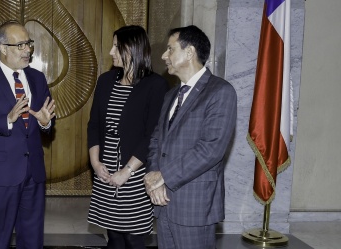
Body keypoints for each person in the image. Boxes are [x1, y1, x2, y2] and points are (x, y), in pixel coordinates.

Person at [0, 21, 56, 249]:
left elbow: (46, 120)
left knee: (33, 241)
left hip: (33, 174)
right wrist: (6, 120)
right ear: (3, 48)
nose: (28, 50)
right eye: (21, 45)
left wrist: (46, 123)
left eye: (29, 44)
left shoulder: (37, 78)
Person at [144, 25, 237, 249]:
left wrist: (163, 176)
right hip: (164, 200)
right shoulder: (171, 95)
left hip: (194, 205)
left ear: (189, 52)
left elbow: (211, 149)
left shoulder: (220, 92)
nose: (164, 56)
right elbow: (157, 141)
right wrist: (155, 179)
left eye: (170, 49)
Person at [86, 25, 168, 249]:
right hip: (106, 169)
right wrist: (95, 162)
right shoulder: (105, 80)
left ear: (132, 49)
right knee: (113, 236)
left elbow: (152, 134)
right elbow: (94, 125)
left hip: (136, 170)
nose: (111, 52)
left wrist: (127, 171)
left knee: (133, 237)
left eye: (116, 46)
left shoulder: (155, 85)